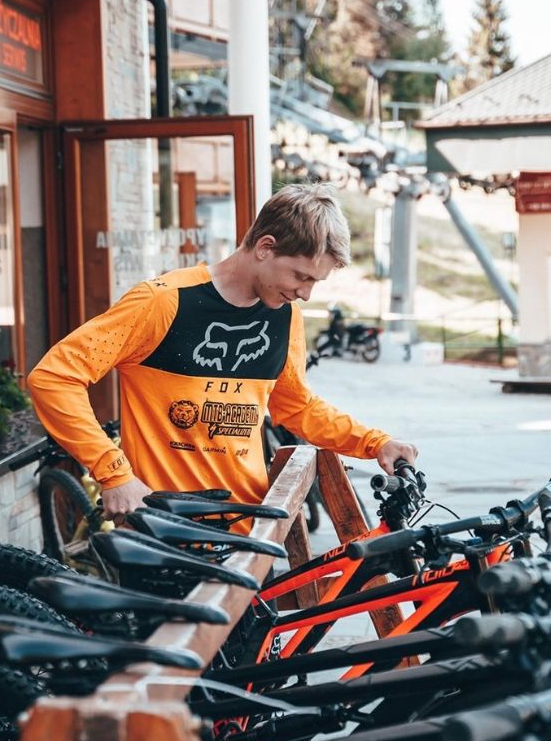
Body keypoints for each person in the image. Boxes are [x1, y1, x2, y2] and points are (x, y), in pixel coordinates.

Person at [28, 183, 417, 523]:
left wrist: (375, 442)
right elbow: (54, 378)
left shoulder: (284, 317)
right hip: (165, 528)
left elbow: (297, 407)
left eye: (315, 282)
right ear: (266, 247)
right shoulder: (163, 301)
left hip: (248, 527)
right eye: (301, 276)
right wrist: (113, 472)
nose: (305, 293)